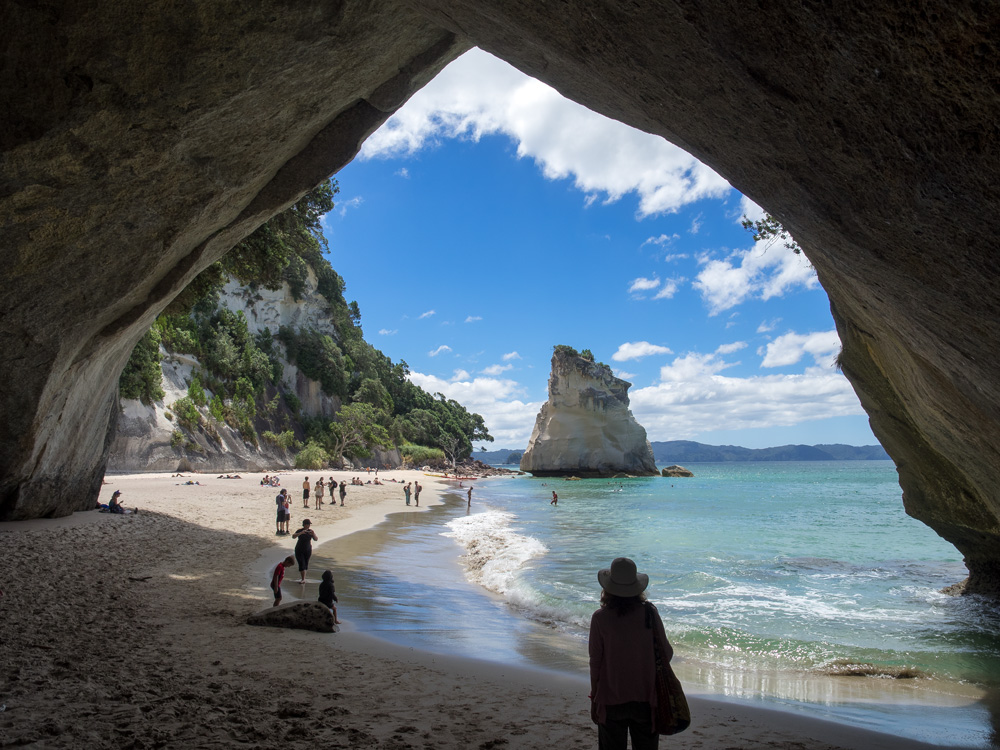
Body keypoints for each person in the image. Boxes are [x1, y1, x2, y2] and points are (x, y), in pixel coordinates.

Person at [589, 557, 673, 750]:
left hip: (610, 699)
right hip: (646, 698)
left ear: (608, 589)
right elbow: (666, 653)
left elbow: (596, 663)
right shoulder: (649, 613)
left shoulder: (600, 618)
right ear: (637, 588)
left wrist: (595, 698)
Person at [291, 519, 318, 584]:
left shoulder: (310, 531)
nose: (309, 526)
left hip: (308, 550)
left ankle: (303, 578)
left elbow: (316, 539)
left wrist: (313, 534)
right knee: (301, 563)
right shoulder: (300, 530)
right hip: (299, 549)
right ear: (304, 524)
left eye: (309, 525)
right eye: (308, 524)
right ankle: (303, 579)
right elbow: (293, 536)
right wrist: (300, 533)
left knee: (305, 564)